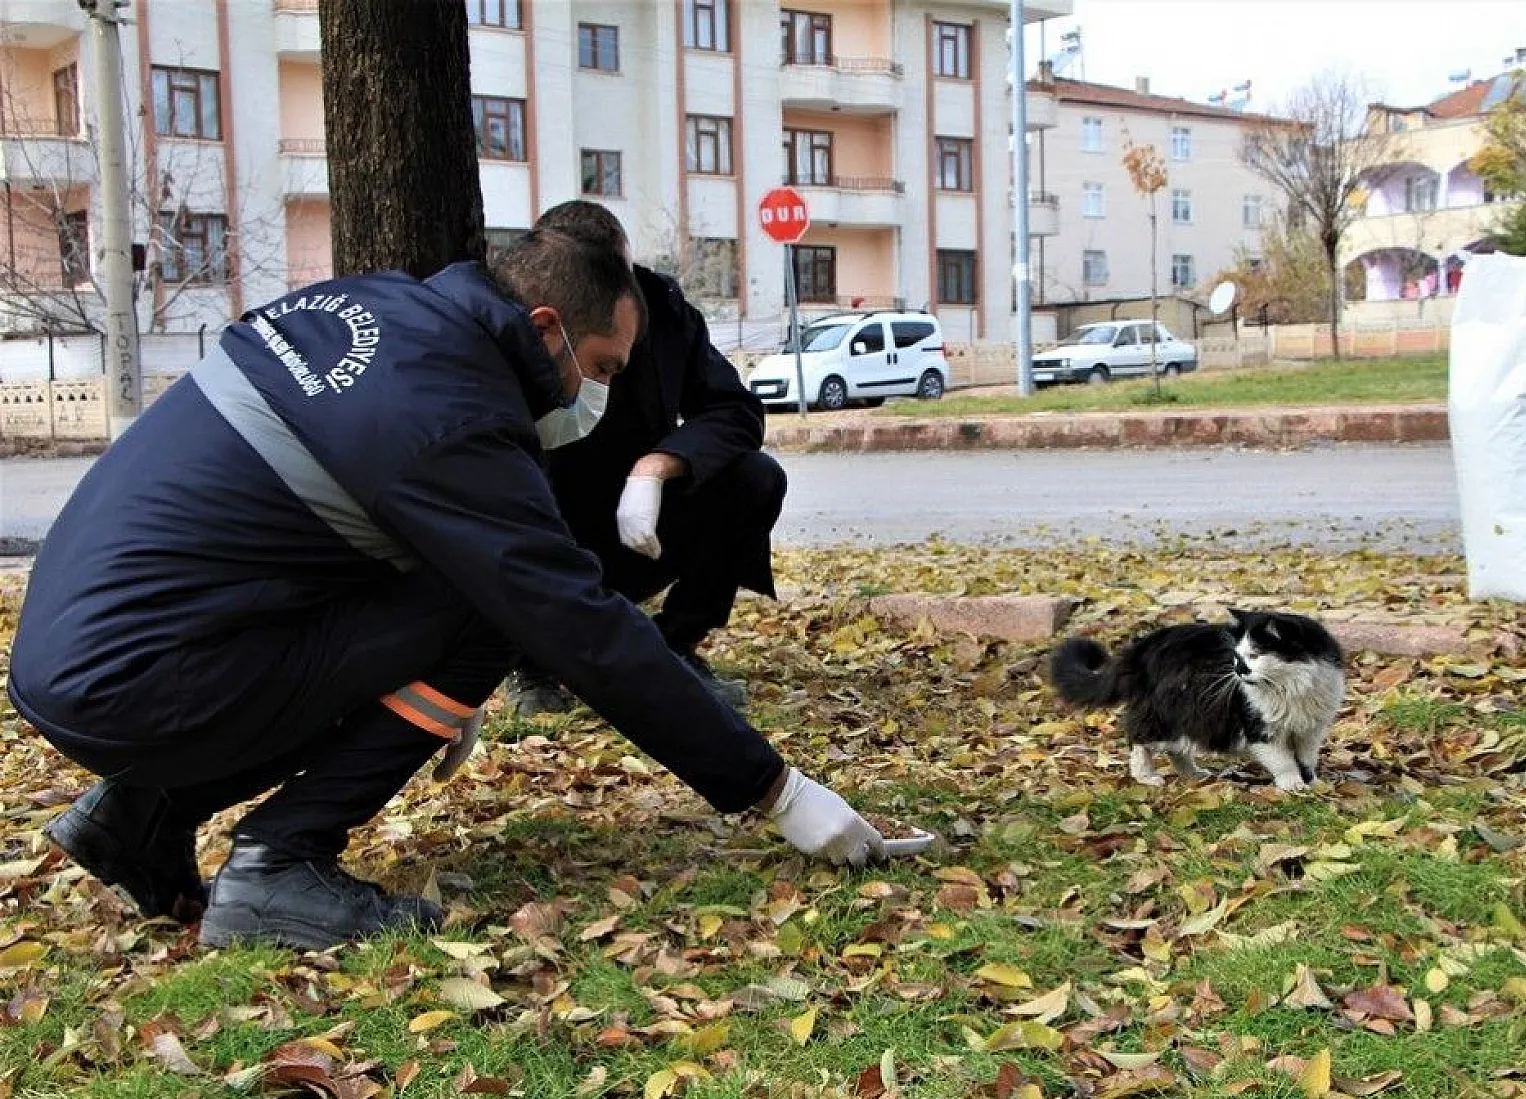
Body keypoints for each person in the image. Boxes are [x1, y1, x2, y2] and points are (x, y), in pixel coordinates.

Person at [7, 230, 884, 951]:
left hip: (85, 650)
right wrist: (777, 790)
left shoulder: (383, 310)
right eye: (605, 367)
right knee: (488, 611)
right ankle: (279, 863)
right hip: (138, 680)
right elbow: (579, 625)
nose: (604, 394)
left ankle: (135, 816)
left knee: (459, 598)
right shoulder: (450, 414)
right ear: (544, 329)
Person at [505, 200, 781, 715]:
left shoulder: (663, 309)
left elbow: (736, 410)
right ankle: (532, 663)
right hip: (547, 524)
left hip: (641, 525)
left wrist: (656, 468)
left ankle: (674, 646)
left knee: (755, 477)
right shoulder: (512, 322)